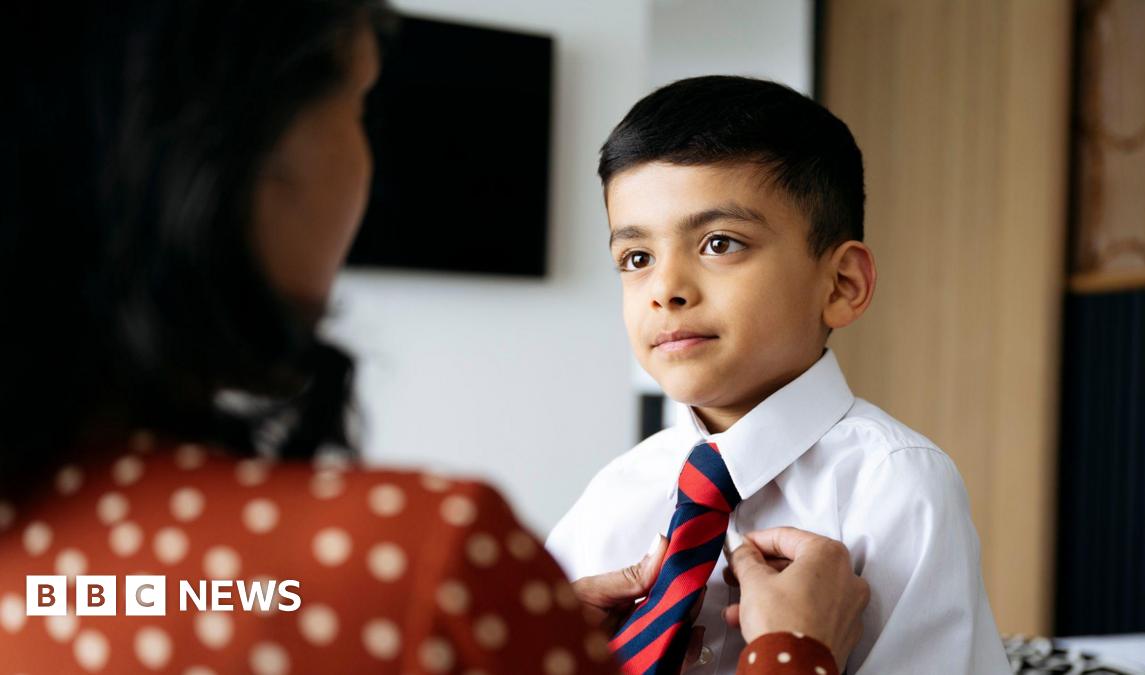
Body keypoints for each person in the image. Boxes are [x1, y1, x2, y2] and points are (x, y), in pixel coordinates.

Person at [0, 2, 868, 673]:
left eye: (719, 243)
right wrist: (793, 653)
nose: (667, 285)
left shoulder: (45, 556)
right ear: (238, 156)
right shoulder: (427, 562)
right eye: (361, 106)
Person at [547, 76, 1011, 674]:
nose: (665, 290)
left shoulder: (897, 487)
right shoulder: (614, 493)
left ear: (842, 285)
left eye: (720, 243)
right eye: (637, 259)